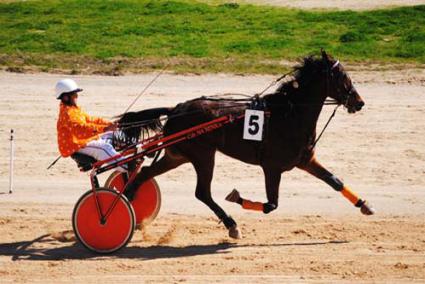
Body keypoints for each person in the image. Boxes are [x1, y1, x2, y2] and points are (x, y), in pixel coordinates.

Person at [55, 78, 126, 172]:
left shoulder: (73, 109)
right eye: (74, 94)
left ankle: (139, 148)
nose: (77, 96)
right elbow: (81, 130)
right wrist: (106, 128)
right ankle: (127, 166)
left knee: (115, 135)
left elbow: (90, 120)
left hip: (84, 141)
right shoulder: (68, 114)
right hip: (76, 146)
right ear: (65, 97)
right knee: (104, 148)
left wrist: (109, 124)